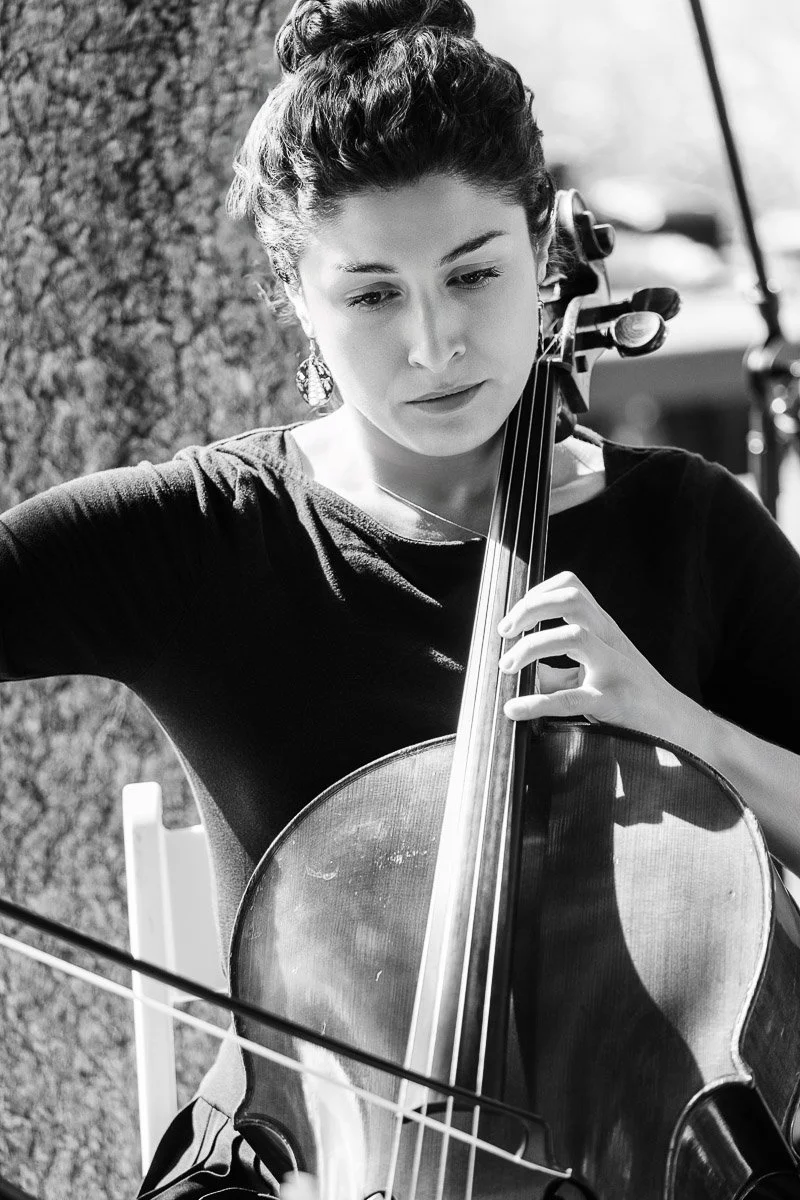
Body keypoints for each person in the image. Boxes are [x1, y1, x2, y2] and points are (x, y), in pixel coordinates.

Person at [2, 0, 800, 1196]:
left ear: (541, 246)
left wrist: (679, 726)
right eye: (372, 294)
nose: (434, 345)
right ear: (297, 296)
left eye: (472, 273)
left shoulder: (685, 527)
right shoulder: (204, 537)